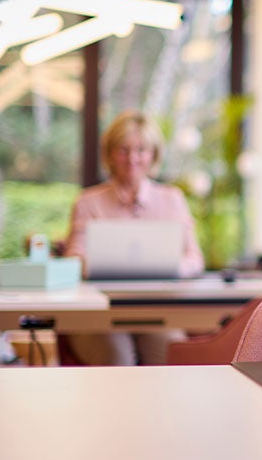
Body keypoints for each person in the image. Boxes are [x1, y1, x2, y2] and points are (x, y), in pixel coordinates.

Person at [63, 110, 204, 365]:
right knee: (117, 356)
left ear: (153, 155)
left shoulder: (172, 200)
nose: (132, 158)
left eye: (141, 149)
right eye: (123, 150)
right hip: (98, 314)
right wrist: (97, 264)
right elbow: (74, 257)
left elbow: (195, 258)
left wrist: (171, 267)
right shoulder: (87, 202)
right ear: (110, 154)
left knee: (168, 354)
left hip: (158, 310)